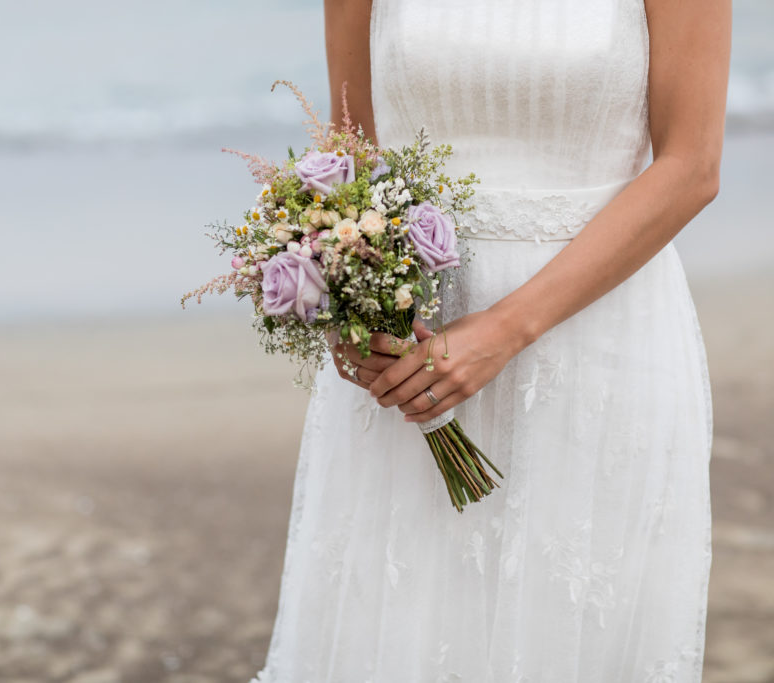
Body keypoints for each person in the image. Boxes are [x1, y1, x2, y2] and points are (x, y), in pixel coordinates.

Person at [249, 0, 729, 681]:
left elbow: (691, 166)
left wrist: (504, 330)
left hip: (600, 345)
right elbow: (351, 144)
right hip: (411, 358)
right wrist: (344, 300)